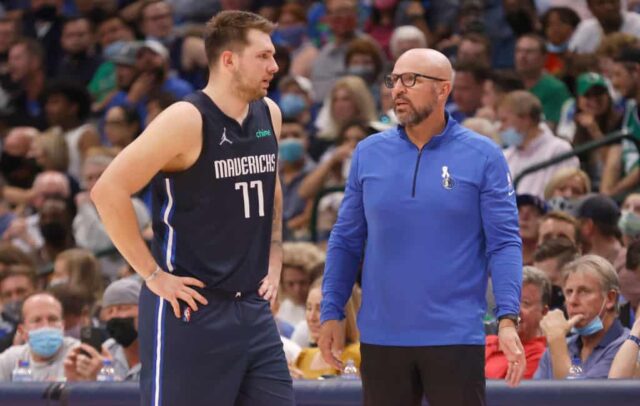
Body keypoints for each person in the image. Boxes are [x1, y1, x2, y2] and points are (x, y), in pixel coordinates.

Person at [91, 10, 293, 406]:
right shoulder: (186, 119)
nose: (275, 66)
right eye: (264, 56)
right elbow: (107, 190)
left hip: (252, 308)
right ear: (229, 60)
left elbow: (269, 182)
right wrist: (151, 275)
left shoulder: (269, 113)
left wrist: (276, 250)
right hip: (192, 309)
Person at [319, 48, 525, 406]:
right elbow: (345, 240)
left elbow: (504, 243)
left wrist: (508, 317)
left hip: (455, 337)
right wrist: (332, 311)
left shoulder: (484, 155)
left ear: (443, 89)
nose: (398, 89)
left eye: (410, 80)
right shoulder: (368, 153)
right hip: (381, 338)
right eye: (394, 79)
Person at [535, 255, 629, 379]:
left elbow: (577, 396)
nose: (572, 301)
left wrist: (557, 341)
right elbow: (535, 397)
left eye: (584, 291)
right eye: (569, 292)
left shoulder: (627, 346)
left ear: (610, 298)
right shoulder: (565, 346)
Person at [485, 267, 550, 380]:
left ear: (543, 312)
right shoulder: (486, 341)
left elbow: (503, 395)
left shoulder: (540, 356)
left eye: (525, 303)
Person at [0, 292, 79, 381]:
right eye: (37, 320)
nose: (46, 326)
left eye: (52, 319)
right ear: (22, 331)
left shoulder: (78, 354)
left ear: (63, 326)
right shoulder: (11, 359)